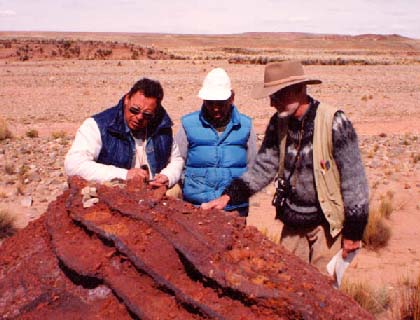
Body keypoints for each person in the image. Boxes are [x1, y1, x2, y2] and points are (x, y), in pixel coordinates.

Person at [202, 60, 369, 272]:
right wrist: (229, 196)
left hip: (327, 226)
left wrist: (354, 231)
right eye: (271, 96)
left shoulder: (334, 121)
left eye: (278, 94)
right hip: (292, 224)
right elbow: (263, 167)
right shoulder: (278, 123)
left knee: (324, 291)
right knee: (287, 282)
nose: (272, 102)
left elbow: (354, 180)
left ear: (300, 89)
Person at [65, 78, 183, 189]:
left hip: (153, 192)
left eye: (147, 115)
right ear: (127, 99)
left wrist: (168, 176)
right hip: (113, 192)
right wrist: (124, 175)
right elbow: (74, 165)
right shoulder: (99, 125)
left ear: (155, 112)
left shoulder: (161, 126)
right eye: (134, 110)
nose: (139, 117)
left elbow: (176, 159)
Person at [175, 67, 257, 216]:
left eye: (220, 103)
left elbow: (252, 168)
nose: (215, 108)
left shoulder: (246, 126)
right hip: (196, 208)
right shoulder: (188, 124)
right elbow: (177, 161)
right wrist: (192, 188)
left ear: (232, 97)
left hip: (234, 210)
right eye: (210, 103)